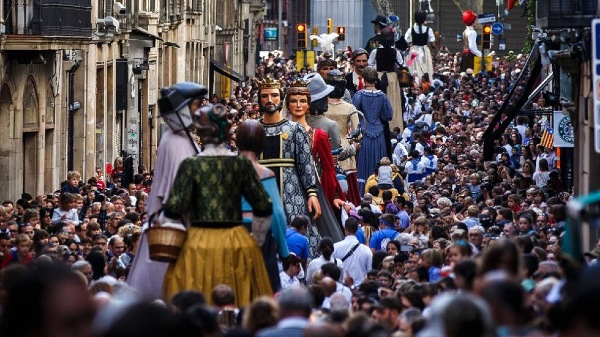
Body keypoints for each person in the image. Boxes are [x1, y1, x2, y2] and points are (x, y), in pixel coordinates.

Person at [160, 103, 273, 307]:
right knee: (242, 298)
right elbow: (264, 206)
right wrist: (256, 240)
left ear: (202, 133)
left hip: (198, 244)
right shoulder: (241, 165)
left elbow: (172, 210)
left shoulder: (191, 165)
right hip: (237, 242)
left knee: (194, 298)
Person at [127, 82, 206, 299]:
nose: (200, 112)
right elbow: (179, 192)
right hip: (175, 228)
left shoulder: (179, 138)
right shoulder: (175, 142)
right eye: (196, 105)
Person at [257, 77, 322, 256]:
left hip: (291, 194)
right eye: (265, 96)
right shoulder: (253, 129)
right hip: (260, 191)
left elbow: (305, 163)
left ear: (281, 98)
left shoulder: (295, 129)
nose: (270, 100)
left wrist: (312, 194)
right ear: (259, 99)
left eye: (274, 95)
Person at [237, 119, 290, 292]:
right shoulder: (265, 174)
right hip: (259, 238)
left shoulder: (224, 170)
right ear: (261, 145)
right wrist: (283, 252)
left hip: (230, 237)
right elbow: (276, 215)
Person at [352, 66, 393, 195]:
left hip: (364, 134)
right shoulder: (382, 96)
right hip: (379, 134)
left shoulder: (359, 95)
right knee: (378, 163)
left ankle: (361, 193)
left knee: (363, 164)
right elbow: (388, 115)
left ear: (364, 79)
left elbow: (353, 113)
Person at [325, 69, 362, 206]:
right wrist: (353, 144)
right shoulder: (350, 107)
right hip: (345, 147)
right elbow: (358, 133)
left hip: (324, 146)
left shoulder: (320, 106)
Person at [368, 26, 404, 131]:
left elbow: (370, 64)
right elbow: (401, 64)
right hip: (392, 78)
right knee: (393, 101)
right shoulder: (395, 52)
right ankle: (393, 126)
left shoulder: (375, 52)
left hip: (378, 77)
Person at [404, 10, 435, 81]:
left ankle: (413, 82)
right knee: (426, 69)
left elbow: (406, 41)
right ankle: (426, 83)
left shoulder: (411, 29)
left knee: (411, 67)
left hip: (413, 52)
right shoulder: (429, 30)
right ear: (424, 19)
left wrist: (410, 46)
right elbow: (433, 44)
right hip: (425, 51)